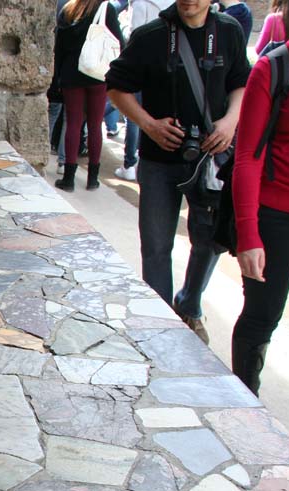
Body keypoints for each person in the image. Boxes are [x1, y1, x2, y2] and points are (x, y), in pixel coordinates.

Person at [107, 1, 250, 343]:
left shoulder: (228, 31)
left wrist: (230, 122)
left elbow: (241, 83)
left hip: (211, 160)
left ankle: (189, 304)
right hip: (160, 159)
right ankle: (160, 321)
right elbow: (116, 85)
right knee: (156, 245)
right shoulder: (151, 36)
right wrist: (147, 125)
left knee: (210, 241)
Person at [230, 10, 289, 394]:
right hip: (275, 215)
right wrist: (247, 234)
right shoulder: (273, 69)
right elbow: (247, 157)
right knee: (262, 316)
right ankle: (243, 398)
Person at [54, 0, 126, 191]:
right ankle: (93, 177)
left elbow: (59, 47)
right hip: (97, 73)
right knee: (95, 125)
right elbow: (119, 41)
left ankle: (68, 177)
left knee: (73, 124)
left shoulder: (69, 10)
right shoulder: (106, 8)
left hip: (71, 72)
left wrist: (58, 77)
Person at [114, 0, 178, 181]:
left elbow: (135, 34)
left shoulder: (142, 5)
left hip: (145, 68)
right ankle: (133, 161)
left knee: (135, 118)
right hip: (165, 68)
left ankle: (130, 162)